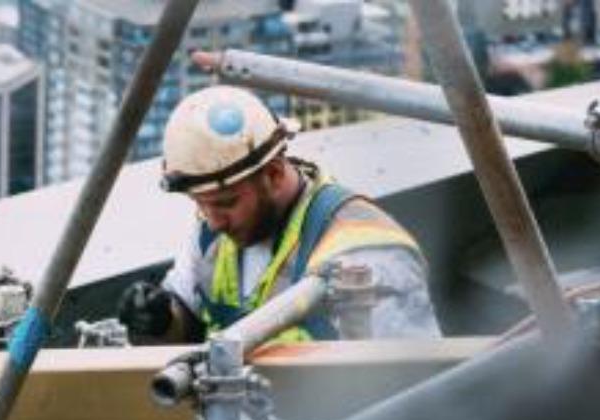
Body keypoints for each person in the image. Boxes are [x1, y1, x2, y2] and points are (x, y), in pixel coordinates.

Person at [118, 85, 441, 344]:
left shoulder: (366, 254)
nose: (213, 221)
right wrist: (161, 319)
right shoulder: (213, 231)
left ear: (273, 174)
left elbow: (409, 384)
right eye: (200, 204)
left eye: (226, 203)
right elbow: (187, 319)